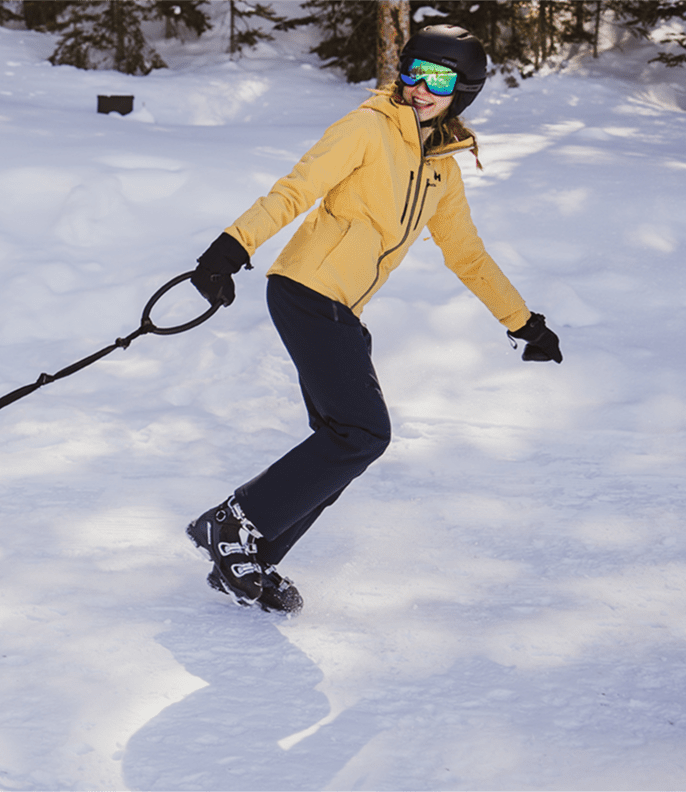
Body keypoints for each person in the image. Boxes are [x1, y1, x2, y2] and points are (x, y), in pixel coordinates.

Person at [183, 25, 562, 615]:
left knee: (343, 442)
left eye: (437, 78)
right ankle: (233, 525)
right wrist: (230, 248)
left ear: (464, 89)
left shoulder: (443, 170)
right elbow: (296, 189)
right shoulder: (367, 127)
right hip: (306, 290)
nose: (419, 87)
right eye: (411, 71)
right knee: (362, 433)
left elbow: (467, 255)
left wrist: (523, 322)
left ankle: (250, 554)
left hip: (343, 308)